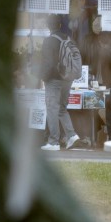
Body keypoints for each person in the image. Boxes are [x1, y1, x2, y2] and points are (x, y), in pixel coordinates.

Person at [35, 16, 81, 151]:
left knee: (52, 109)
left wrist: (42, 77)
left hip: (53, 80)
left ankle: (54, 142)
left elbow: (48, 64)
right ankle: (72, 136)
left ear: (48, 26)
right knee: (61, 109)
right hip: (67, 79)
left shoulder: (49, 41)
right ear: (60, 25)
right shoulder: (68, 39)